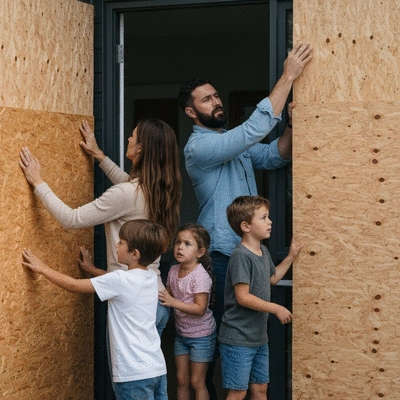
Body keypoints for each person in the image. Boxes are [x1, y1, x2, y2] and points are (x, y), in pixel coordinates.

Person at [178, 41, 312, 398]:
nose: (216, 101)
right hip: (221, 257)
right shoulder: (200, 148)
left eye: (216, 96)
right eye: (206, 99)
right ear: (191, 113)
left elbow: (272, 156)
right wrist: (289, 75)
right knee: (229, 342)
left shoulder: (228, 140)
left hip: (248, 253)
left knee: (247, 341)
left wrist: (292, 128)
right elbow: (253, 131)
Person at [19, 117, 182, 336]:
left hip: (132, 305)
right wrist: (99, 155)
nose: (128, 138)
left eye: (133, 135)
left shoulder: (128, 194)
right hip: (156, 300)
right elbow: (127, 187)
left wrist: (38, 183)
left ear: (141, 148)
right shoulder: (161, 191)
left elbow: (71, 218)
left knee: (127, 369)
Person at [22, 219, 169, 400]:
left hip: (133, 374)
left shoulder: (120, 280)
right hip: (156, 368)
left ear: (135, 253)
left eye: (121, 242)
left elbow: (74, 285)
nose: (116, 245)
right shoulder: (150, 277)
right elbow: (114, 281)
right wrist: (92, 269)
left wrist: (43, 269)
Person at [218, 195, 303, 400]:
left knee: (260, 389)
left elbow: (272, 278)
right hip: (238, 339)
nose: (270, 221)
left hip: (258, 338)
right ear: (246, 226)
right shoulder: (241, 256)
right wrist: (275, 308)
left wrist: (290, 257)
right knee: (238, 392)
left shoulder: (262, 251)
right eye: (264, 218)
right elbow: (243, 297)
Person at [158, 223, 216, 400]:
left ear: (200, 252)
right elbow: (166, 295)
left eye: (187, 244)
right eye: (177, 242)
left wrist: (173, 302)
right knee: (181, 380)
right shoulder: (174, 270)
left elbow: (200, 308)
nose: (180, 247)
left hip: (202, 336)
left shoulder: (200, 276)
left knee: (196, 381)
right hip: (182, 335)